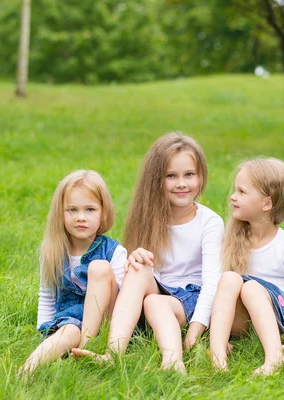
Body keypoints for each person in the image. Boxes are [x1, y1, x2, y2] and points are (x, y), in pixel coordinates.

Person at [73, 132, 224, 374]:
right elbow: (137, 280)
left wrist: (196, 329)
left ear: (201, 176)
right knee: (139, 267)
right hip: (154, 292)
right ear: (156, 179)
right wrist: (133, 260)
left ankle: (173, 361)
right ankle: (113, 353)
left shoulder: (209, 222)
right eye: (171, 176)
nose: (182, 183)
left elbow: (212, 283)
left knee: (155, 301)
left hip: (188, 300)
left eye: (189, 175)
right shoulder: (148, 216)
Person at [209, 158, 284, 376]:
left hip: (275, 317)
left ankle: (274, 359)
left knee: (250, 287)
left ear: (266, 203)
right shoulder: (230, 239)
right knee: (228, 279)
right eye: (235, 190)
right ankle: (217, 357)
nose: (233, 197)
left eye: (242, 192)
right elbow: (217, 291)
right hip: (244, 321)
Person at [20, 170, 126, 374]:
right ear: (61, 213)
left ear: (103, 213)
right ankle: (28, 368)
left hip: (107, 320)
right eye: (72, 210)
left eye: (90, 209)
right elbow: (47, 295)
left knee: (99, 267)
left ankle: (86, 347)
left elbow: (123, 300)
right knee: (68, 331)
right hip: (71, 322)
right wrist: (43, 328)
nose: (81, 217)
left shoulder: (115, 252)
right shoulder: (53, 252)